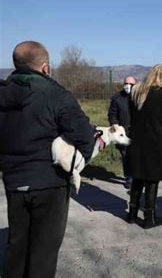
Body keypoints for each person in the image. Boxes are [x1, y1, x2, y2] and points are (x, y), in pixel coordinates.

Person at [0, 41, 95, 277]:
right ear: (45, 68)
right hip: (49, 182)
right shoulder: (56, 94)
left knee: (17, 246)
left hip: (14, 181)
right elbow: (84, 136)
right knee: (43, 251)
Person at [127, 65, 162, 229]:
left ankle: (132, 214)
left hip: (137, 140)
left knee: (137, 176)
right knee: (152, 179)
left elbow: (131, 112)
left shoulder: (137, 92)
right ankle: (149, 218)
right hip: (156, 142)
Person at [108, 76, 137, 189]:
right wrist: (114, 123)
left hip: (137, 131)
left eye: (131, 83)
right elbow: (112, 114)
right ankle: (129, 178)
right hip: (122, 132)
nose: (128, 85)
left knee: (136, 155)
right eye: (126, 83)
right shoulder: (117, 98)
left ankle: (137, 177)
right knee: (125, 155)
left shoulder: (139, 97)